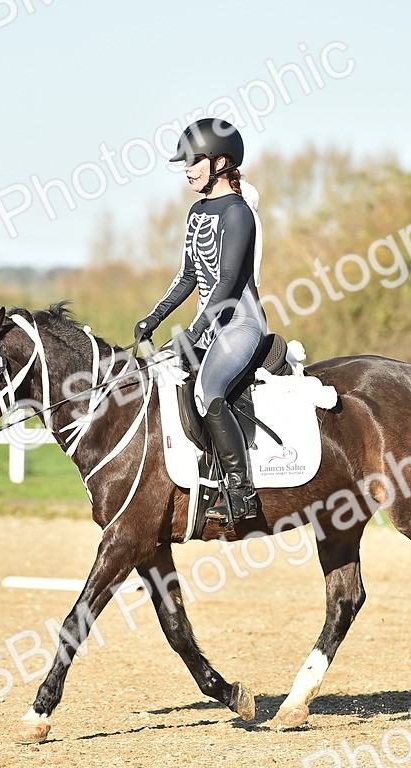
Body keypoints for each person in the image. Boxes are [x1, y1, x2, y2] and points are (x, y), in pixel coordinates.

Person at [133, 118, 267, 523]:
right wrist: (154, 318)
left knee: (209, 388)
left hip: (240, 324)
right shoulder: (197, 211)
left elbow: (227, 281)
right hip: (209, 324)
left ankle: (243, 494)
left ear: (221, 162)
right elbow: (189, 275)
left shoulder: (238, 213)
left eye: (193, 161)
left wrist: (194, 332)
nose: (186, 169)